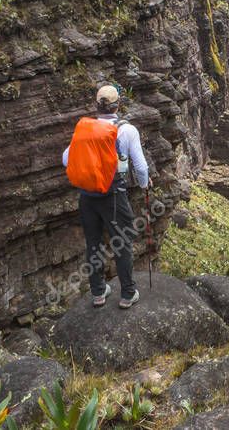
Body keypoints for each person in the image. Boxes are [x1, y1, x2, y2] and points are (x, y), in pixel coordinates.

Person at [62, 84, 150, 308]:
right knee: (122, 242)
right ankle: (128, 293)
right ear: (118, 104)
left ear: (97, 105)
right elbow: (140, 166)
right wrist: (143, 183)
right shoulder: (126, 130)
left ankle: (98, 292)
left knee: (93, 243)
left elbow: (66, 159)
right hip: (113, 194)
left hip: (87, 195)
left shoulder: (85, 128)